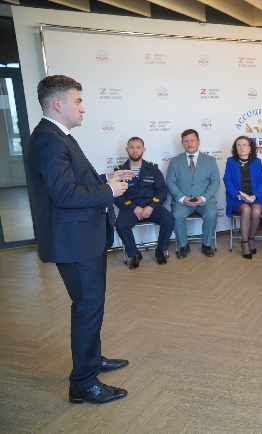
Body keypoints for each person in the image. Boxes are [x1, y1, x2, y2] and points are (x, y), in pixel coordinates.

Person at [26, 75, 133, 404]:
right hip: (74, 241)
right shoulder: (49, 140)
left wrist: (105, 178)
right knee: (88, 308)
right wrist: (109, 190)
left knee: (91, 306)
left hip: (84, 238)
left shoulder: (57, 136)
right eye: (78, 101)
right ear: (58, 104)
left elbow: (71, 182)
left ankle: (92, 360)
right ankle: (84, 384)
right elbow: (65, 195)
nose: (83, 108)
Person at [114, 137, 174, 269]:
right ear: (127, 149)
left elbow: (162, 192)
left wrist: (151, 207)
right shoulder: (119, 171)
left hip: (151, 207)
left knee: (169, 219)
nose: (135, 151)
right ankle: (134, 254)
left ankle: (160, 250)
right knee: (120, 224)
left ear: (144, 150)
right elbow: (117, 196)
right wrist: (133, 207)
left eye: (138, 148)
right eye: (132, 147)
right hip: (130, 209)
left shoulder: (153, 169)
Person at [166, 129, 220, 259]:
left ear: (198, 142)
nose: (189, 143)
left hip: (205, 201)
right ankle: (183, 246)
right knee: (176, 216)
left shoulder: (210, 160)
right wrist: (182, 198)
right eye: (186, 141)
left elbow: (215, 181)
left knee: (211, 213)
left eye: (192, 140)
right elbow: (170, 182)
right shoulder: (174, 161)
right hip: (182, 202)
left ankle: (206, 245)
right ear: (182, 143)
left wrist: (203, 198)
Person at [224, 136, 262, 259]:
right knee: (246, 209)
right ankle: (245, 243)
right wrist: (238, 195)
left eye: (244, 145)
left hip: (254, 196)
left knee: (256, 211)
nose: (241, 148)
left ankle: (251, 238)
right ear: (235, 148)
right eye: (238, 145)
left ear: (250, 148)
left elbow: (261, 182)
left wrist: (255, 195)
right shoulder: (230, 161)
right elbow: (227, 181)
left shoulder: (256, 162)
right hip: (237, 198)